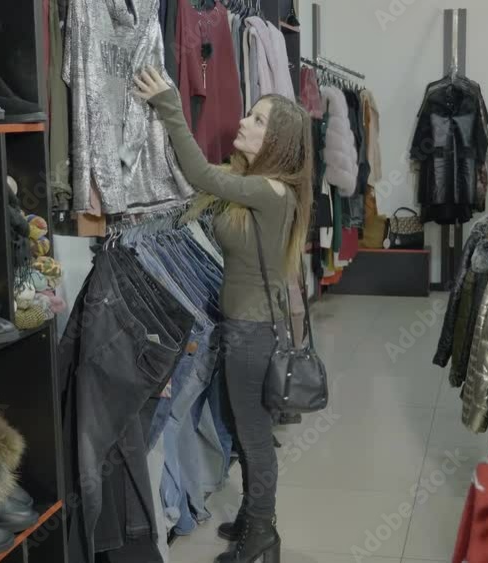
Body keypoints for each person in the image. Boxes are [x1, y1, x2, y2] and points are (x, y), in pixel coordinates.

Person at [135, 66, 313, 563]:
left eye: (255, 119)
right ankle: (257, 520)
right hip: (248, 324)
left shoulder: (270, 191)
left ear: (274, 138)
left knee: (252, 433)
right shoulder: (254, 184)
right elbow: (203, 184)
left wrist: (169, 103)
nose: (243, 120)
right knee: (241, 425)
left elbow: (199, 174)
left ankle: (263, 536)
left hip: (251, 331)